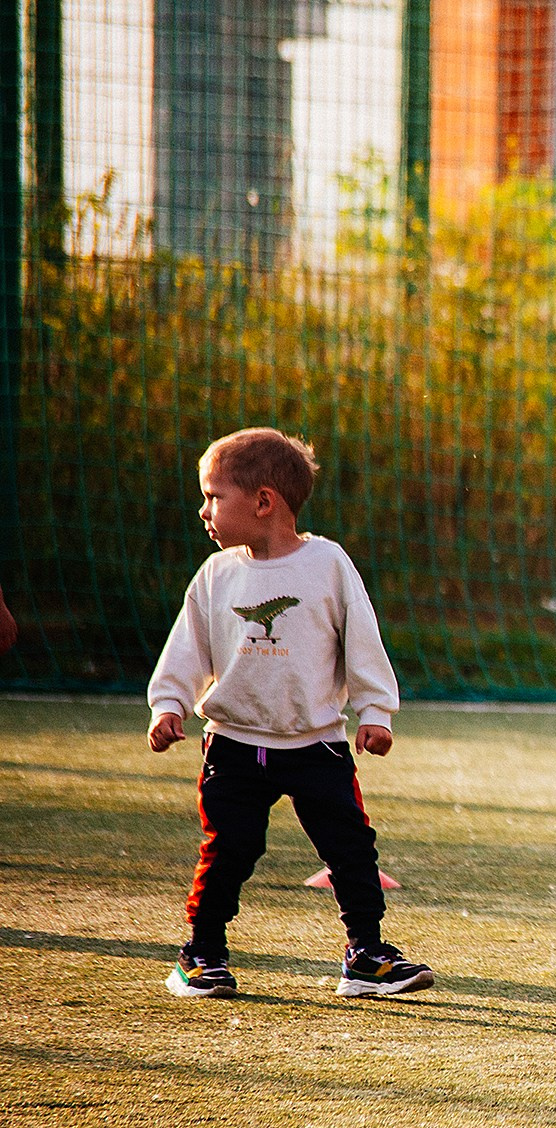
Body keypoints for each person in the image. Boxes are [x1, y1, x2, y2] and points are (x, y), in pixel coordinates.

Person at [146, 427, 432, 1000]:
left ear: (263, 501)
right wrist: (169, 704)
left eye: (213, 496)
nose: (204, 510)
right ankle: (201, 955)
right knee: (230, 848)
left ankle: (367, 955)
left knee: (351, 848)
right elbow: (187, 649)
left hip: (317, 745)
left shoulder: (327, 564)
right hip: (232, 745)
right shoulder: (215, 575)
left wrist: (376, 710)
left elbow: (362, 641)